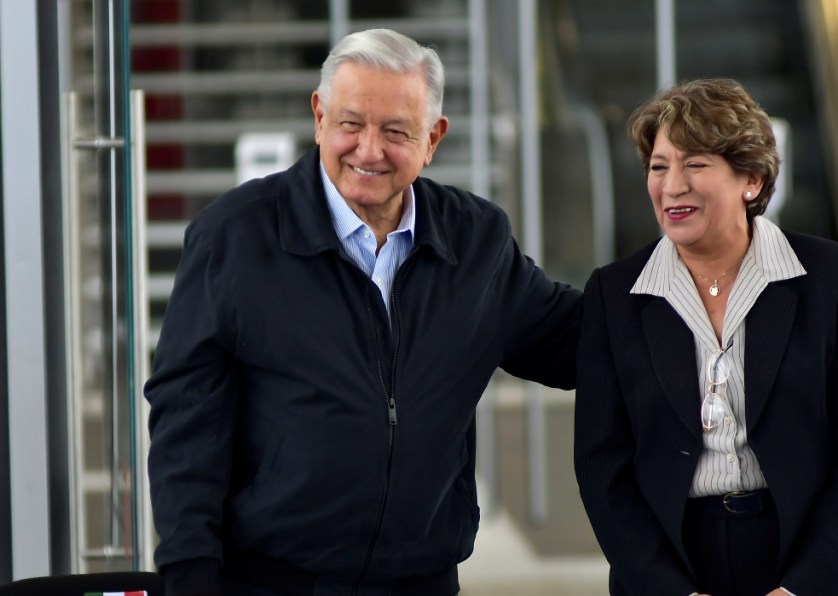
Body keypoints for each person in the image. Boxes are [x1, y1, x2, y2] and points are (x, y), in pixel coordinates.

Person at [145, 28, 581, 596]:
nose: (369, 150)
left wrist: (691, 278)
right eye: (351, 124)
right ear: (320, 117)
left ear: (433, 139)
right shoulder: (233, 237)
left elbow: (571, 339)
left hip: (421, 580)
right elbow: (185, 422)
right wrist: (189, 575)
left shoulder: (477, 241)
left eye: (396, 131)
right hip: (270, 581)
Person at [573, 79, 838, 596]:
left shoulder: (830, 276)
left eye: (695, 165)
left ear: (751, 178)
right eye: (659, 167)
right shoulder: (613, 295)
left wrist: (806, 589)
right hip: (677, 562)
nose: (671, 185)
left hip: (813, 557)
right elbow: (601, 466)